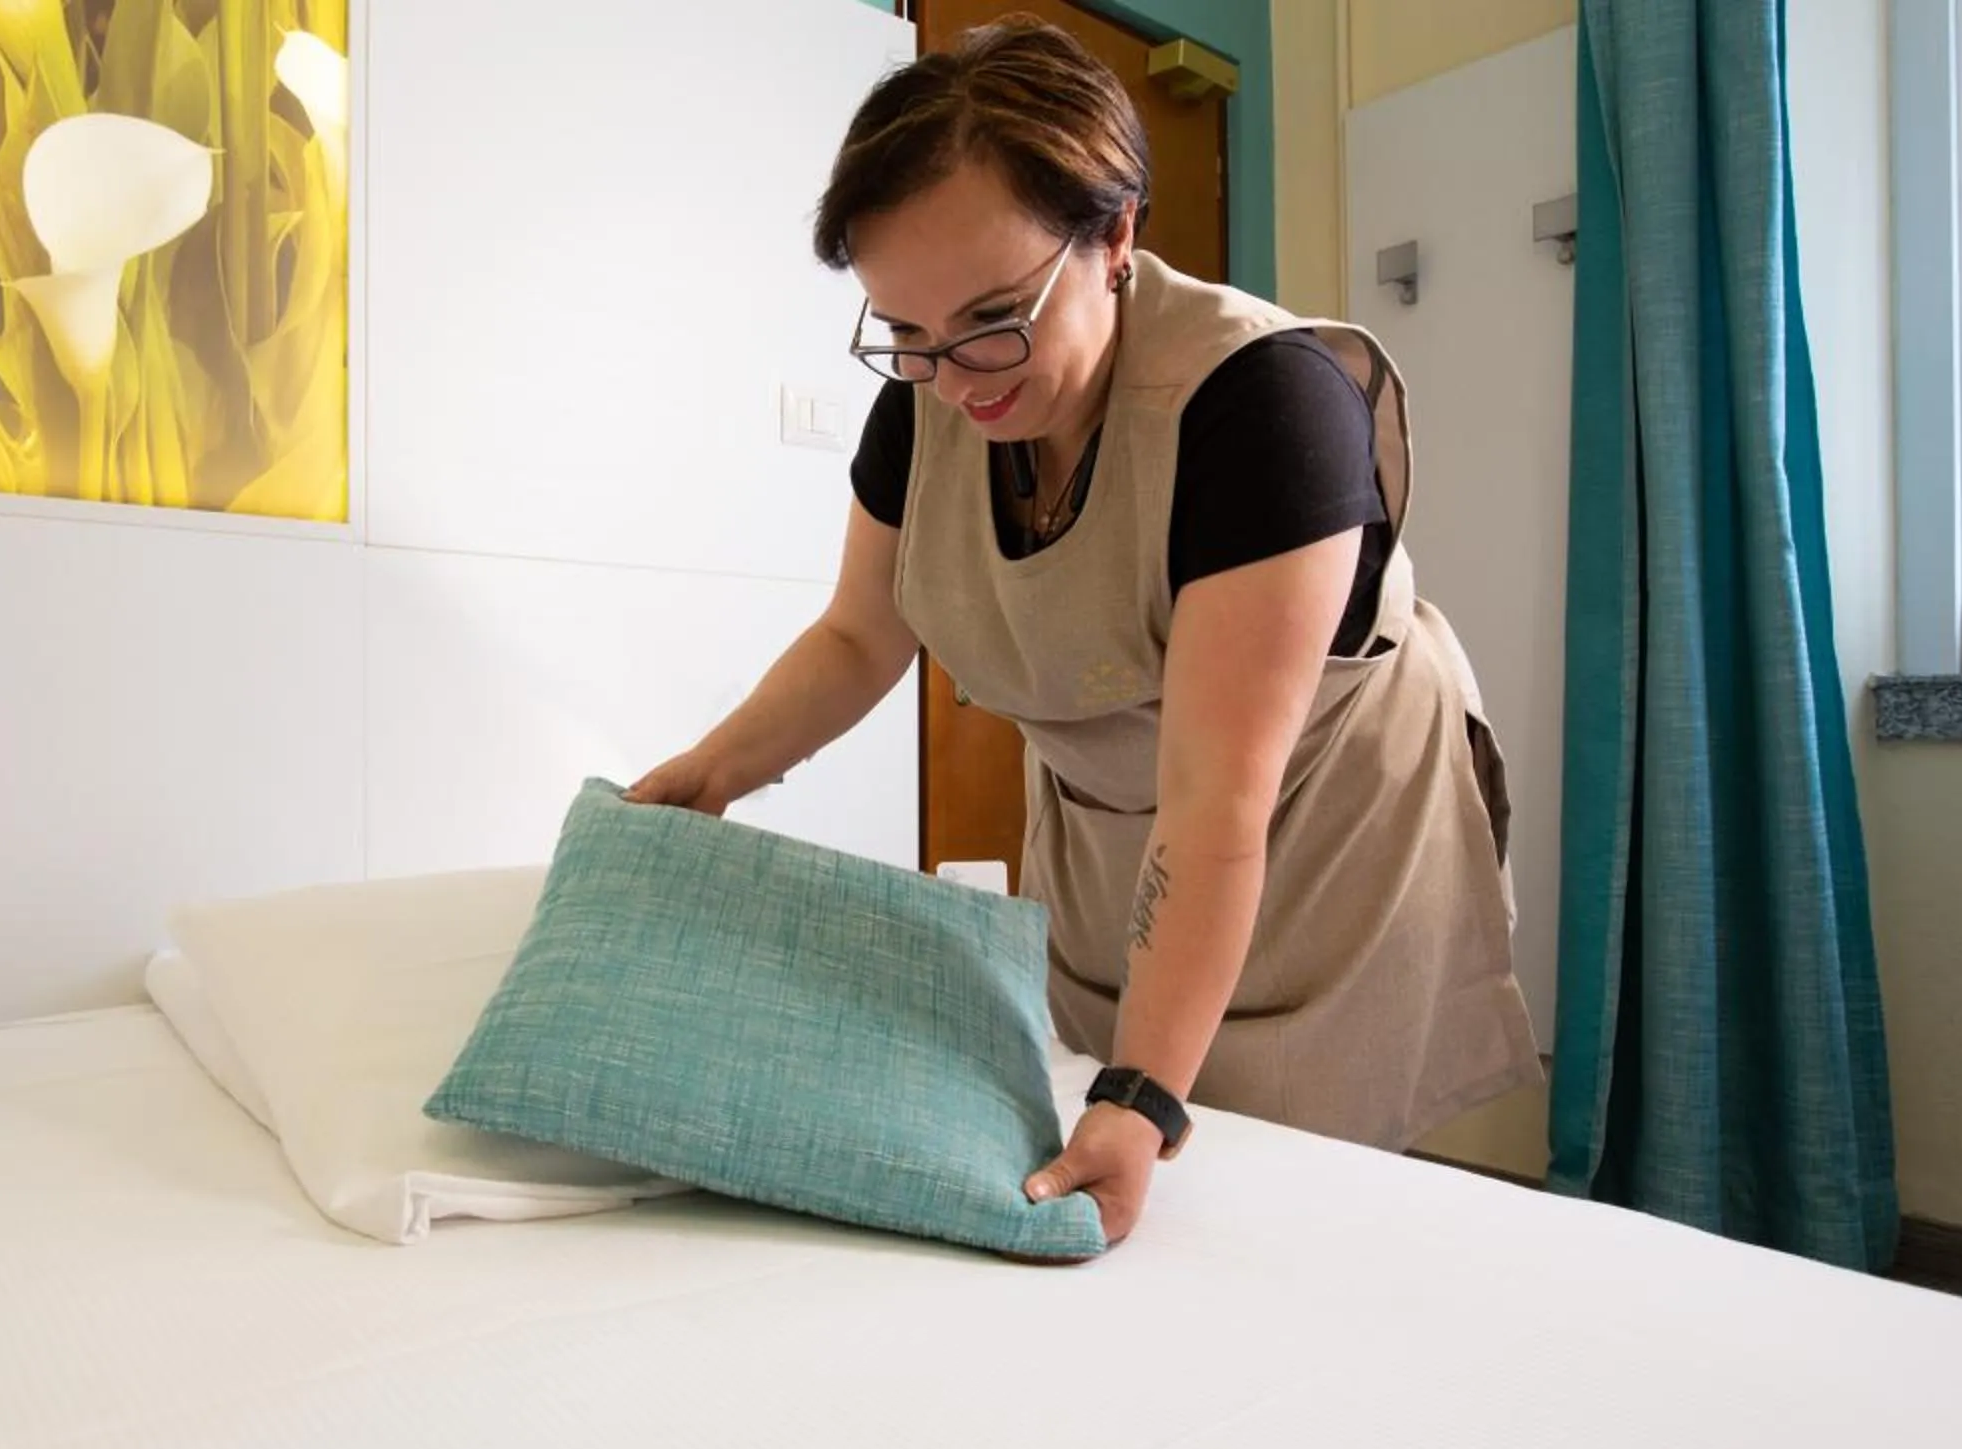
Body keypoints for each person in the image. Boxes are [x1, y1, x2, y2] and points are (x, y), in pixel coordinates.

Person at [626, 17, 1541, 1248]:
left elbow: (1218, 799)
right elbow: (859, 637)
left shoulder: (1264, 408)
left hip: (1323, 825)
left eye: (995, 316)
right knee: (1098, 1143)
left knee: (1292, 1203)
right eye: (906, 331)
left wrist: (1145, 1088)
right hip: (1123, 828)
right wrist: (710, 774)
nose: (957, 376)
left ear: (1115, 236)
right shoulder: (939, 392)